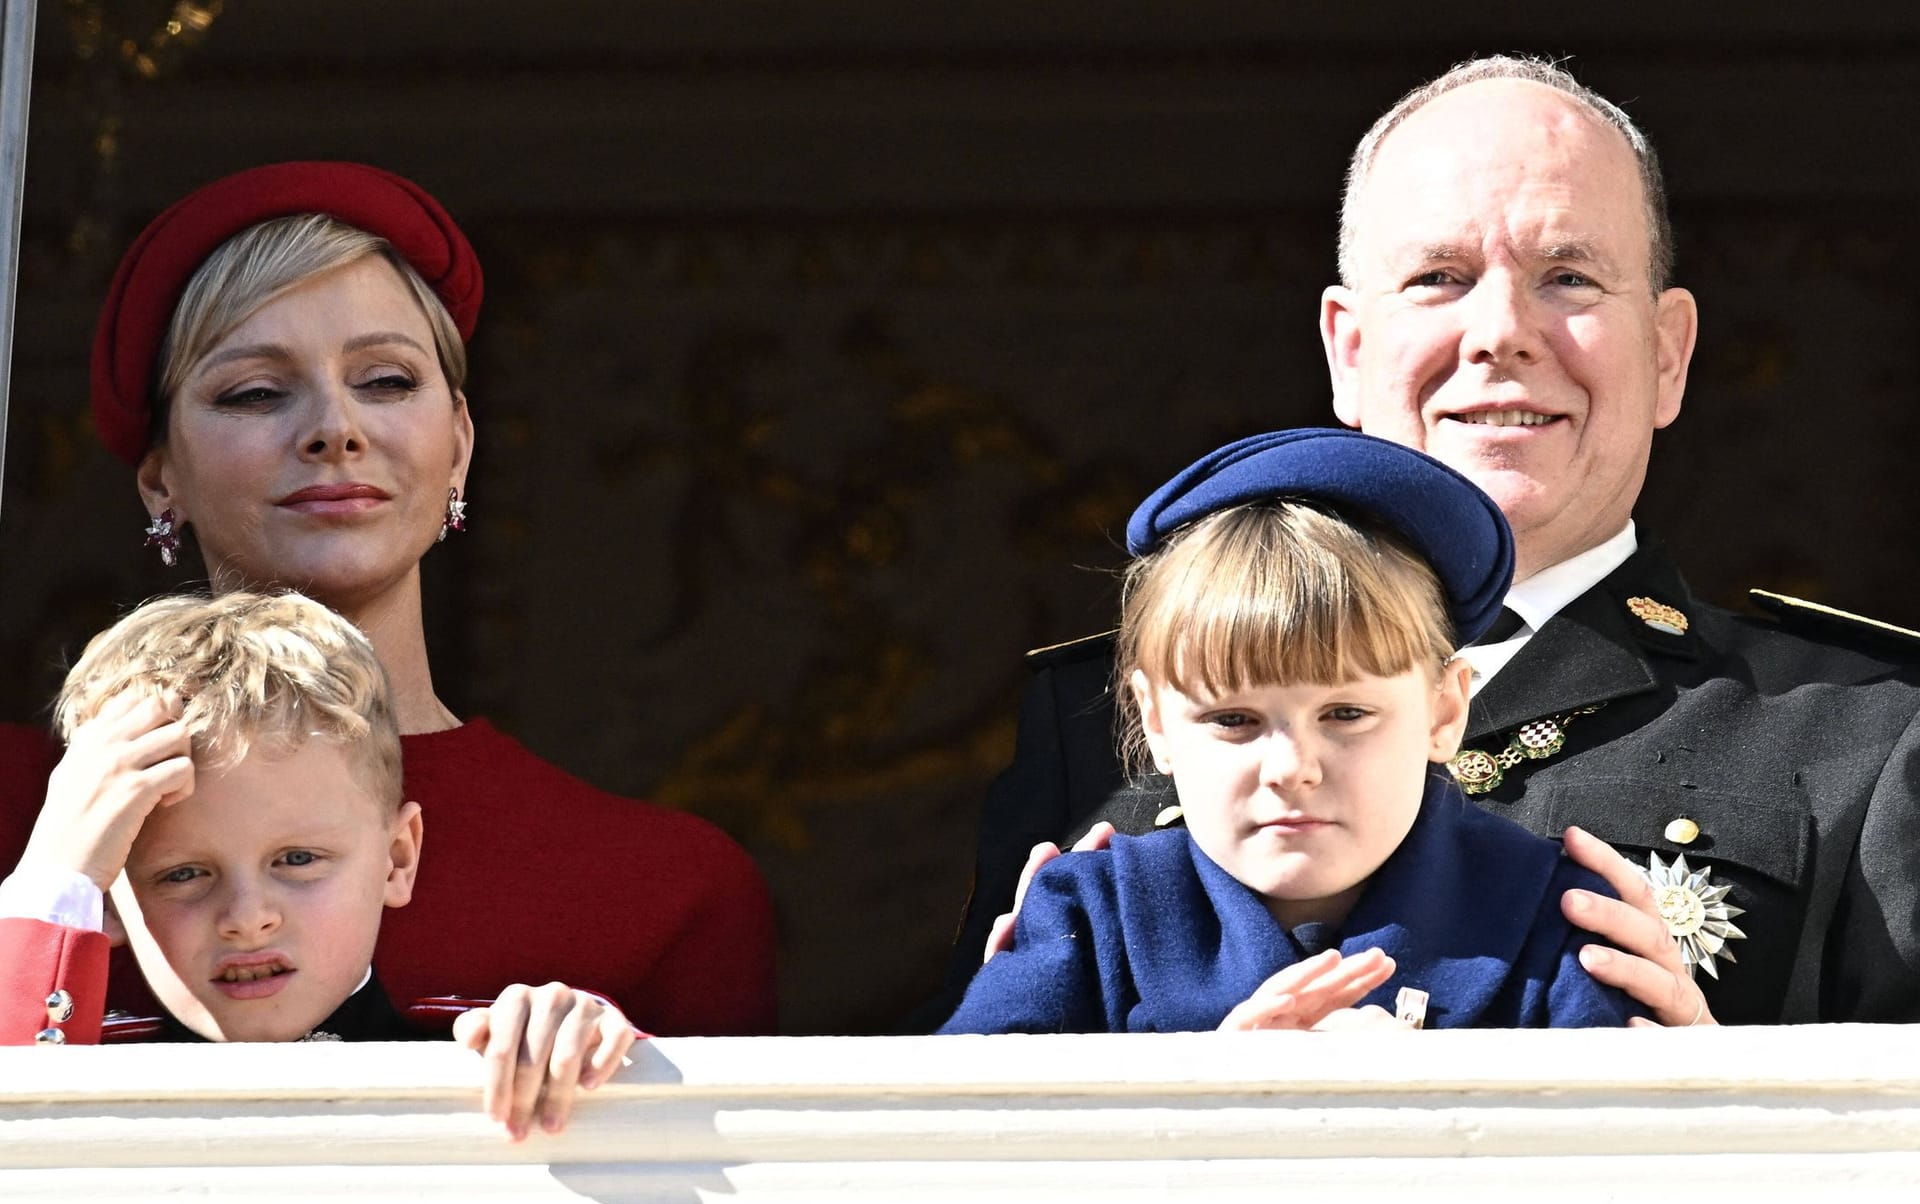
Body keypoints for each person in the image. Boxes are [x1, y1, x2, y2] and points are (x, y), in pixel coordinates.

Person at [946, 55, 1920, 1029]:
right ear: (1349, 347)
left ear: (1668, 352)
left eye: (1569, 276)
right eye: (1439, 278)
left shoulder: (1868, 736)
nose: (1500, 330)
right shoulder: (1088, 730)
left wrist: (1725, 1105)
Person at [0, 162, 776, 1035]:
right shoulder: (13, 807)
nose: (336, 428)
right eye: (256, 392)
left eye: (387, 381)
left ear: (460, 446)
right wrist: (48, 888)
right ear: (159, 478)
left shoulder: (662, 887)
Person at [941, 429, 1644, 1034]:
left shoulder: (1554, 914)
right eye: (1234, 720)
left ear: (1443, 711)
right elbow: (955, 1155)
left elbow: (1633, 1175)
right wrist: (1207, 1100)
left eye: (1345, 714)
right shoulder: (1094, 913)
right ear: (1154, 720)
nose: (1291, 766)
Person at [0, 591, 636, 1140]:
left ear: (397, 857)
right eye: (184, 874)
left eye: (298, 859)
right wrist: (55, 874)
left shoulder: (488, 1055)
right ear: (107, 898)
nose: (247, 920)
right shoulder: (74, 1056)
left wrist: (576, 1048)